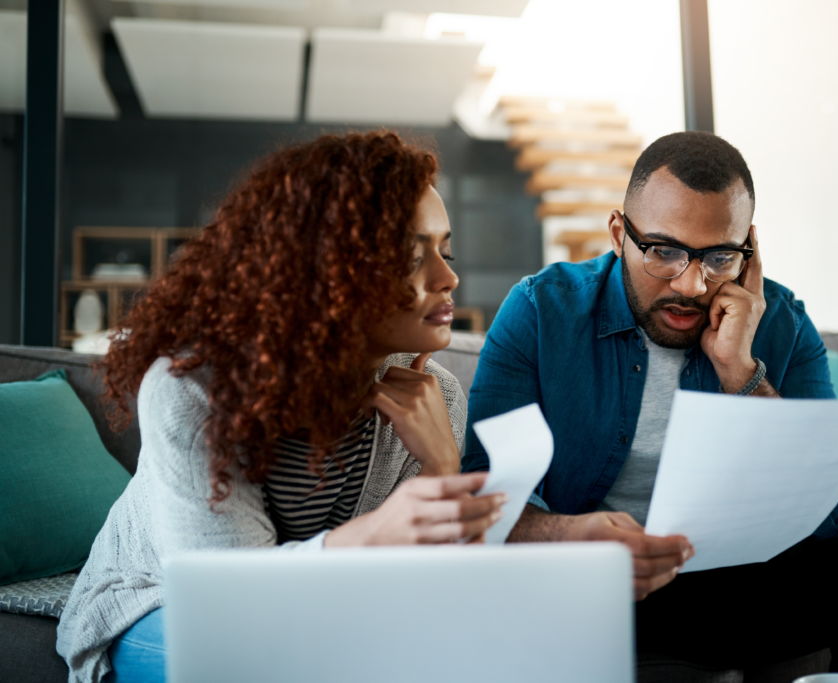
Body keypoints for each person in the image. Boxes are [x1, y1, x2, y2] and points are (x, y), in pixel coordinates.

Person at [464, 131, 838, 682]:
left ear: (750, 249)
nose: (692, 285)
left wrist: (742, 374)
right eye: (664, 251)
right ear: (619, 232)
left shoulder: (782, 322)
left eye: (719, 256)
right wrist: (571, 536)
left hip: (726, 590)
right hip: (580, 587)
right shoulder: (540, 310)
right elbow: (482, 495)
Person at [57, 131, 506, 683]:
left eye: (447, 250)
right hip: (166, 606)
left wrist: (442, 470)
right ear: (328, 271)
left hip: (328, 621)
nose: (448, 277)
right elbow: (230, 612)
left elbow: (437, 600)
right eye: (414, 258)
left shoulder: (434, 395)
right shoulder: (194, 391)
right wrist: (368, 540)